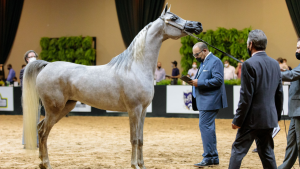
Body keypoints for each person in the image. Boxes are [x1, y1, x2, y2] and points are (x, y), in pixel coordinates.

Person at [229, 29, 283, 169]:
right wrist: (276, 116)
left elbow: (246, 96)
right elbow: (279, 93)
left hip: (251, 120)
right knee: (267, 153)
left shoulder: (248, 64)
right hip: (268, 118)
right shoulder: (275, 64)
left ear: (250, 44)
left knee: (237, 151)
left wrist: (238, 120)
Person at [189, 42, 228, 167]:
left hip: (211, 101)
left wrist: (199, 83)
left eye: (197, 54)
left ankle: (208, 157)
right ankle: (212, 157)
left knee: (205, 127)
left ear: (204, 50)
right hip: (205, 101)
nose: (195, 57)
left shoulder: (215, 61)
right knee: (208, 128)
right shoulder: (204, 62)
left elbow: (218, 80)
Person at [278, 38, 300, 169]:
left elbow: (291, 75)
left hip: (299, 111)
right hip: (296, 111)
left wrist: (272, 71)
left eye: (298, 48)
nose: (296, 51)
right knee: (291, 143)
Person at [21, 50, 39, 148]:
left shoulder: (39, 70)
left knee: (36, 121)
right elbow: (22, 85)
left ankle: (36, 142)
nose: (33, 58)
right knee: (27, 121)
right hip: (28, 98)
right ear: (27, 59)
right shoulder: (23, 70)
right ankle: (26, 142)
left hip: (36, 98)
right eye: (31, 56)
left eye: (34, 56)